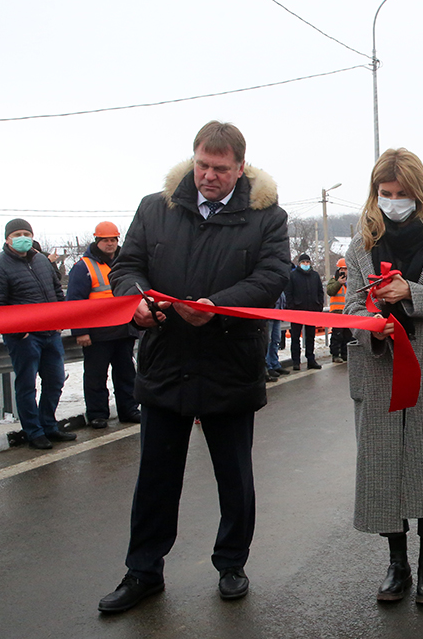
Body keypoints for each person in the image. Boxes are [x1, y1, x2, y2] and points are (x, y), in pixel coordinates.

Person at [97, 121, 290, 613]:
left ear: (240, 168)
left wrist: (218, 305)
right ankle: (143, 570)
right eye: (202, 165)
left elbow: (271, 278)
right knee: (156, 478)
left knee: (234, 476)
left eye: (221, 169)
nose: (209, 176)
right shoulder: (154, 208)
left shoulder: (267, 217)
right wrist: (134, 302)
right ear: (193, 159)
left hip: (229, 362)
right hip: (166, 360)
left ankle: (231, 563)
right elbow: (127, 267)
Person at [344, 148, 423, 605]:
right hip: (379, 368)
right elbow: (350, 308)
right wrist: (370, 322)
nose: (393, 201)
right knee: (384, 471)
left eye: (402, 194)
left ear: (419, 193)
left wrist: (411, 293)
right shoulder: (361, 243)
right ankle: (396, 565)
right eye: (385, 193)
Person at [0, 218, 76, 450]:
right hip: (24, 337)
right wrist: (17, 331)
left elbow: (56, 290)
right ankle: (33, 432)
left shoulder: (42, 261)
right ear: (7, 238)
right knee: (27, 386)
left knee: (55, 381)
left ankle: (49, 426)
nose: (23, 238)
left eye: (26, 233)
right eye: (17, 234)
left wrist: (60, 319)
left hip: (51, 333)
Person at [66, 221, 141, 428]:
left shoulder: (123, 263)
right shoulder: (83, 267)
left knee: (126, 374)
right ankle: (98, 414)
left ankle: (129, 410)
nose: (110, 244)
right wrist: (80, 332)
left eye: (113, 240)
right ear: (97, 241)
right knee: (96, 376)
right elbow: (74, 302)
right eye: (106, 240)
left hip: (124, 330)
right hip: (97, 334)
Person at [285, 253, 324, 370]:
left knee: (310, 337)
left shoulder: (315, 276)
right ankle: (296, 361)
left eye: (307, 262)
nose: (306, 264)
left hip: (311, 310)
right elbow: (288, 293)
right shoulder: (293, 276)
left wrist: (319, 305)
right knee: (295, 337)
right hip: (297, 311)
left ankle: (311, 359)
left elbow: (320, 292)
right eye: (304, 262)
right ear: (299, 263)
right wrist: (291, 307)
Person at [327, 258, 352, 362]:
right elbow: (330, 291)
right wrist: (339, 282)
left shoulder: (351, 281)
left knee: (347, 335)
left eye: (346, 269)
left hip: (348, 312)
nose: (344, 271)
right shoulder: (334, 280)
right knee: (337, 334)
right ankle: (335, 354)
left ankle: (345, 353)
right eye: (342, 269)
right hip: (337, 312)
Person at [265, 292, 289, 382]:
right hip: (269, 314)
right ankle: (268, 366)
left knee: (276, 340)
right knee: (268, 342)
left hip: (277, 314)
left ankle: (275, 364)